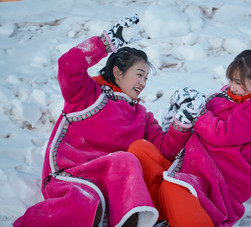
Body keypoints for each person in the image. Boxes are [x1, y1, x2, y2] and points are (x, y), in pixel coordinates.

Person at [13, 15, 209, 227]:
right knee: (103, 183)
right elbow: (68, 65)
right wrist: (105, 43)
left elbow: (164, 150)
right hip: (69, 178)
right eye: (139, 74)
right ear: (117, 72)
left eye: (146, 78)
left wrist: (182, 122)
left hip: (111, 186)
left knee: (129, 157)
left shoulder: (141, 115)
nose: (143, 83)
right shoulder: (88, 94)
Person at [130, 48, 251, 226]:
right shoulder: (234, 93)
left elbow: (223, 133)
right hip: (191, 163)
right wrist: (183, 115)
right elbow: (204, 115)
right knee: (141, 150)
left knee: (174, 187)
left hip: (218, 181)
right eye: (231, 79)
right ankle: (155, 213)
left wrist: (199, 113)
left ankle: (187, 216)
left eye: (238, 82)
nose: (232, 86)